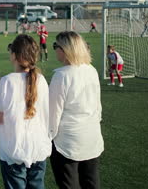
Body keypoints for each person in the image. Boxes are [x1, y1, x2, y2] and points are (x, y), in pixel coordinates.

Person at [0, 34, 51, 189]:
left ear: (14, 55)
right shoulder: (41, 79)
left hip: (13, 150)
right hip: (38, 148)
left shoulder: (7, 81)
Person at [49, 31, 104, 189]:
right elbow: (97, 105)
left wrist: (48, 138)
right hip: (92, 137)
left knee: (69, 184)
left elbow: (54, 115)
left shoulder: (61, 76)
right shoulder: (91, 70)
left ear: (65, 49)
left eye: (56, 46)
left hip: (67, 143)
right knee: (91, 182)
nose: (55, 50)